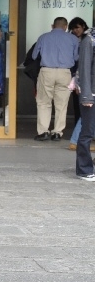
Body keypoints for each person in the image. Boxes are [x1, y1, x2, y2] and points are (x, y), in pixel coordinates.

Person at [32, 17, 79, 141]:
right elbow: (76, 57)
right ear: (66, 26)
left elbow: (34, 55)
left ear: (52, 26)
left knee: (43, 102)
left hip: (46, 71)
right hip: (65, 72)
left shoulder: (43, 37)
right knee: (61, 104)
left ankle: (43, 132)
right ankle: (57, 132)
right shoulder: (73, 39)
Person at [76, 21, 95, 181]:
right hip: (91, 94)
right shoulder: (89, 40)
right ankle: (84, 169)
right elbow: (84, 70)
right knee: (87, 132)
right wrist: (87, 96)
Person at [67, 17, 90, 150]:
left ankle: (79, 138)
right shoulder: (76, 40)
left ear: (83, 26)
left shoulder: (88, 39)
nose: (75, 31)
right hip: (80, 77)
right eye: (73, 28)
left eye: (77, 28)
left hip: (81, 77)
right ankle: (77, 139)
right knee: (83, 111)